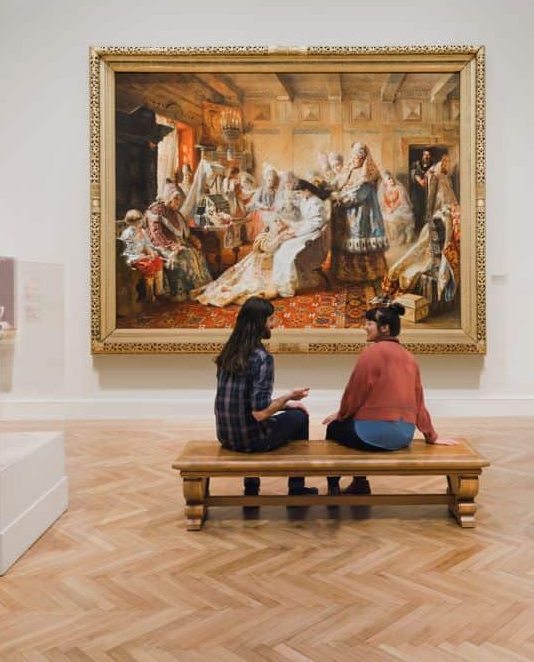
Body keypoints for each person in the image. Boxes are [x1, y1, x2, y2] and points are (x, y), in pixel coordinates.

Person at [322, 303, 458, 495]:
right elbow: (419, 402)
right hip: (403, 436)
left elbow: (354, 393)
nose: (365, 327)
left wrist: (341, 415)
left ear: (384, 328)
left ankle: (335, 488)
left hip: (371, 435)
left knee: (334, 428)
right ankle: (359, 484)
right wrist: (432, 436)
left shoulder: (371, 353)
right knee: (348, 423)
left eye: (369, 323)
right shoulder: (410, 358)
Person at [214, 298, 318, 497]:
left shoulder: (228, 352)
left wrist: (287, 404)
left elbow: (247, 402)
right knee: (300, 418)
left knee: (288, 412)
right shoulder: (262, 358)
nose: (274, 324)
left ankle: (251, 487)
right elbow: (260, 413)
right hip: (250, 441)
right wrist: (290, 396)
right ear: (259, 322)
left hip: (226, 436)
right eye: (271, 319)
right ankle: (296, 488)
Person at [193, 179, 329, 307]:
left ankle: (286, 283)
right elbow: (267, 245)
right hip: (261, 259)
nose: (298, 196)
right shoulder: (267, 234)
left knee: (286, 249)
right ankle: (284, 283)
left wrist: (291, 231)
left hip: (310, 233)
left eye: (299, 193)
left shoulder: (314, 202)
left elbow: (313, 222)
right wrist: (283, 234)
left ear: (307, 190)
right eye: (296, 194)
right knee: (281, 251)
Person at [330, 142, 389, 286]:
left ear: (364, 159)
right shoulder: (348, 171)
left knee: (359, 239)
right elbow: (338, 186)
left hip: (361, 214)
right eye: (354, 156)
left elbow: (358, 196)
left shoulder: (367, 175)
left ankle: (365, 274)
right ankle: (344, 272)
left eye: (359, 157)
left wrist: (340, 199)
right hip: (346, 215)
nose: (356, 159)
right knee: (345, 241)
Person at [145, 184, 212, 302]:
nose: (178, 202)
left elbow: (185, 233)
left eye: (179, 199)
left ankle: (200, 287)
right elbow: (156, 234)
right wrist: (172, 246)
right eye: (175, 198)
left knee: (197, 252)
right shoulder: (156, 210)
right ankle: (183, 292)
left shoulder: (176, 213)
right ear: (168, 197)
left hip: (178, 243)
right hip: (161, 246)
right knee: (185, 256)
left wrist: (193, 239)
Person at [119, 209, 166, 300]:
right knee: (149, 266)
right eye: (136, 223)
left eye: (140, 222)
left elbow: (147, 244)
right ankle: (150, 294)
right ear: (130, 223)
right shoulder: (127, 234)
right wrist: (143, 256)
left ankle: (159, 291)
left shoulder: (142, 231)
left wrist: (151, 253)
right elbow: (128, 252)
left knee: (158, 261)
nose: (139, 225)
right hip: (132, 258)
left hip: (143, 256)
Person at [379, 170, 414, 247]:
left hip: (401, 207)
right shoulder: (386, 190)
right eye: (388, 179)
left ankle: (404, 235)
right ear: (385, 182)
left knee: (396, 216)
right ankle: (395, 237)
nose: (390, 180)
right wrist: (388, 208)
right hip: (391, 208)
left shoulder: (398, 188)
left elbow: (400, 200)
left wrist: (393, 209)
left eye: (391, 179)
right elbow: (384, 202)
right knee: (384, 216)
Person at [409, 149, 435, 229]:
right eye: (425, 155)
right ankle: (417, 227)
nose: (426, 157)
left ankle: (426, 229)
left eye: (428, 155)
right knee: (417, 208)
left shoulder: (433, 165)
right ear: (422, 156)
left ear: (430, 156)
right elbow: (412, 176)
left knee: (427, 208)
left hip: (428, 190)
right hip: (417, 191)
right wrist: (419, 180)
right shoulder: (415, 164)